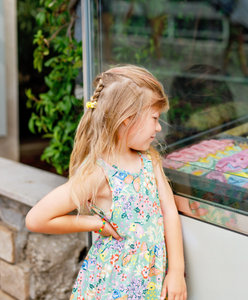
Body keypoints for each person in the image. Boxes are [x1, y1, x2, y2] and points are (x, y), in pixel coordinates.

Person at [25, 65, 187, 300]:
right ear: (127, 119)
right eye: (154, 118)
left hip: (147, 285)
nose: (159, 127)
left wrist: (176, 271)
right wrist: (95, 223)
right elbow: (36, 219)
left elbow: (169, 211)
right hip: (109, 286)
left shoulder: (150, 160)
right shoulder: (99, 174)